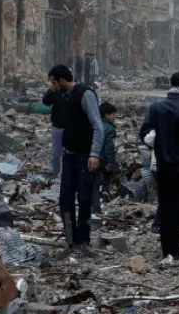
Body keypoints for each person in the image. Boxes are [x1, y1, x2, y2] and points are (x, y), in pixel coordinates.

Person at [139, 70, 179, 263]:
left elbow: (146, 135)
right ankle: (178, 248)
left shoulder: (156, 108)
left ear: (170, 85)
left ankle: (167, 251)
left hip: (164, 166)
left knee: (165, 206)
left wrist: (161, 145)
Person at [47, 64, 103, 251]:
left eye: (54, 83)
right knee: (65, 198)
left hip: (85, 156)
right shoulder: (63, 97)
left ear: (62, 80)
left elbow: (98, 126)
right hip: (69, 155)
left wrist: (94, 153)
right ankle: (71, 240)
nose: (52, 87)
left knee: (85, 198)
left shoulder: (85, 94)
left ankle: (83, 240)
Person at [92, 102, 119, 219]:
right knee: (107, 175)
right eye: (113, 114)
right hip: (103, 158)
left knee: (95, 178)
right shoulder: (110, 129)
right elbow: (109, 147)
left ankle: (95, 199)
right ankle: (104, 193)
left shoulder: (94, 125)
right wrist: (111, 162)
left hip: (93, 156)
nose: (115, 117)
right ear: (107, 115)